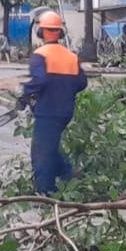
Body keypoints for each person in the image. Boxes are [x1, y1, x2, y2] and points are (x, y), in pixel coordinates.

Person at [20, 10, 87, 194]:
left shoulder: (40, 55)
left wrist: (26, 95)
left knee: (41, 153)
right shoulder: (71, 57)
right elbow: (82, 83)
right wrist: (64, 90)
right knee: (50, 148)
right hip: (65, 112)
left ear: (40, 32)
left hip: (47, 111)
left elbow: (40, 81)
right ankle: (69, 174)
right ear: (60, 32)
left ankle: (45, 193)